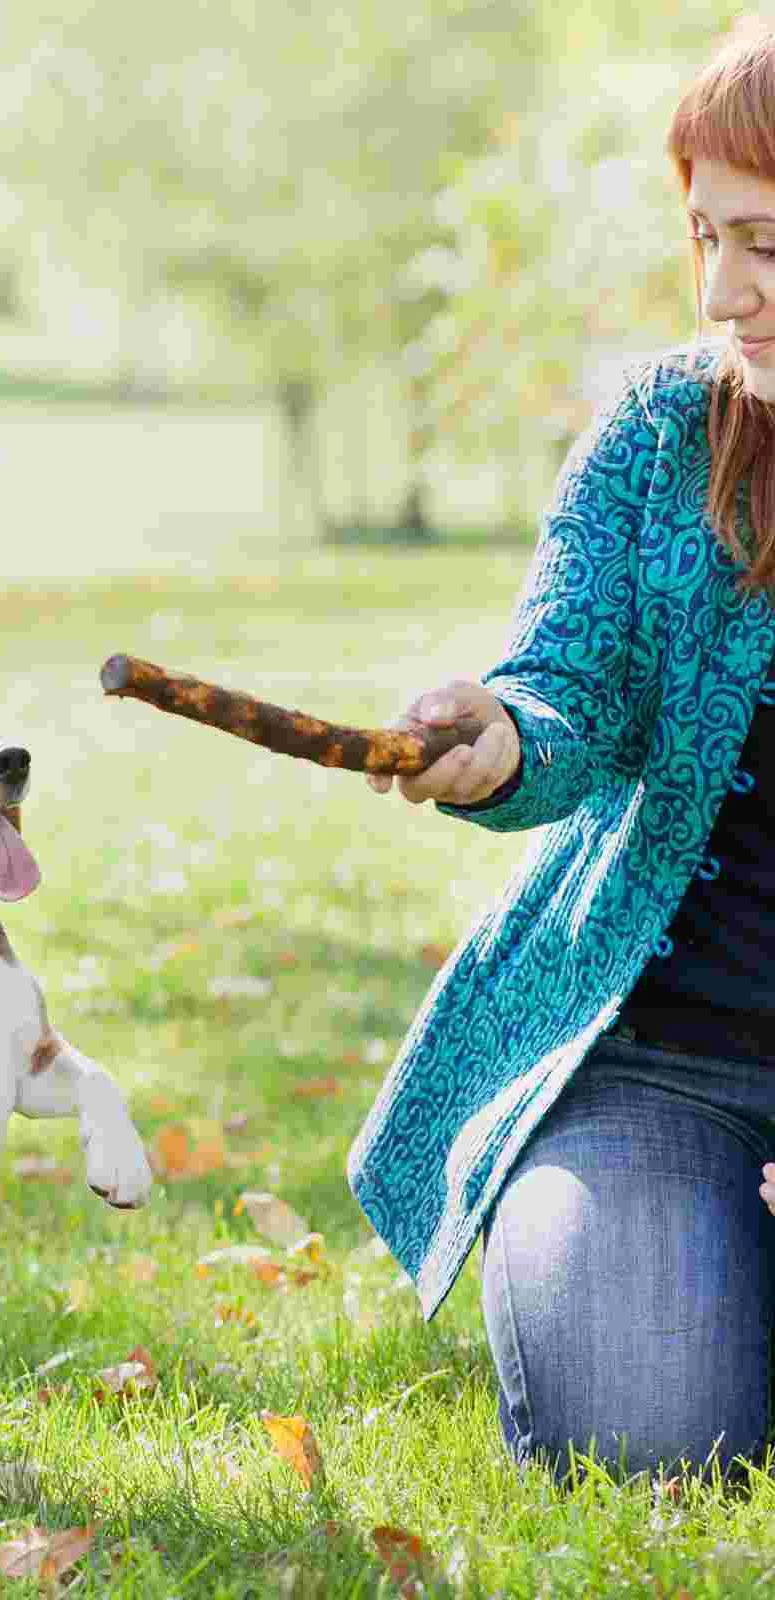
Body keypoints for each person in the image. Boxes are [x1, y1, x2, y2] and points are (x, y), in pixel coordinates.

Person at [350, 14, 775, 1484]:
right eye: (704, 237)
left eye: (765, 244)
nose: (724, 293)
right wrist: (502, 736)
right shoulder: (666, 428)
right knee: (653, 1443)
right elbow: (568, 681)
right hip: (666, 1063)